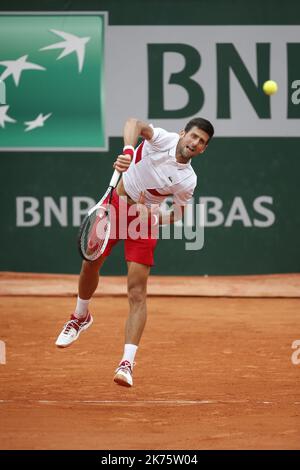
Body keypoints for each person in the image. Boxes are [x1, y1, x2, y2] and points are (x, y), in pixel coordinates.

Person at [55, 117, 214, 387]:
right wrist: (129, 152)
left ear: (203, 150)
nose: (195, 143)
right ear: (183, 133)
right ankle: (80, 316)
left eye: (202, 142)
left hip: (143, 221)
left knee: (137, 292)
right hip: (116, 206)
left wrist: (152, 218)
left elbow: (177, 214)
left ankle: (126, 363)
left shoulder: (188, 180)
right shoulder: (162, 139)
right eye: (194, 136)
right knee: (90, 263)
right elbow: (133, 122)